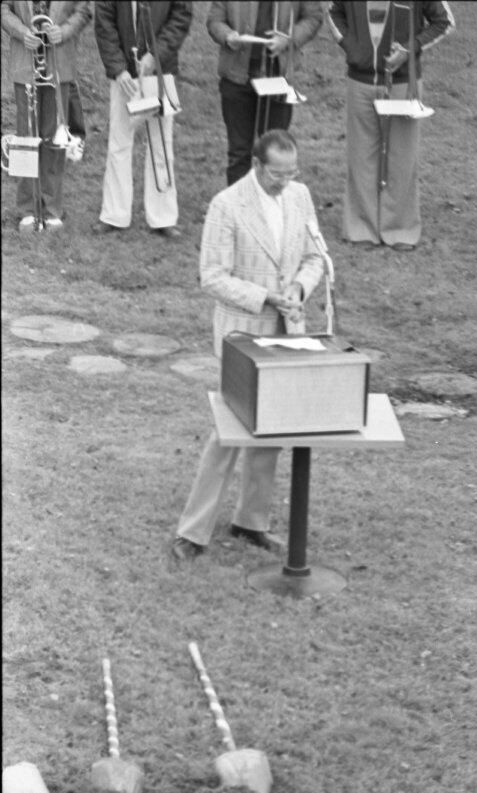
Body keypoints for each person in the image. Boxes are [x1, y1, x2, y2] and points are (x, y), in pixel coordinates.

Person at [172, 129, 323, 563]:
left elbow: (314, 257)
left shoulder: (300, 196)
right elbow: (212, 277)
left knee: (271, 429)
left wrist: (298, 288)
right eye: (277, 175)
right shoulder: (226, 205)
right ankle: (192, 531)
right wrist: (264, 297)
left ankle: (251, 521)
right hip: (241, 335)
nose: (285, 182)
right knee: (228, 432)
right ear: (256, 165)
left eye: (292, 173)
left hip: (286, 331)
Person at [328, 1, 454, 250]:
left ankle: (400, 229)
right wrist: (352, 47)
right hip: (361, 80)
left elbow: (444, 22)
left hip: (403, 83)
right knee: (361, 155)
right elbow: (334, 12)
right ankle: (361, 227)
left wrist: (410, 48)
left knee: (402, 156)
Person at [94, 1, 192, 238]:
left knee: (161, 144)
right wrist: (118, 69)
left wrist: (155, 55)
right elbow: (104, 24)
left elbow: (181, 17)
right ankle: (114, 215)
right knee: (119, 143)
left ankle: (163, 217)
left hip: (161, 71)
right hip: (124, 76)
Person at [207, 1, 323, 186]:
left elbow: (313, 17)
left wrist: (289, 39)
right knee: (238, 153)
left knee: (275, 151)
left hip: (277, 76)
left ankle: (271, 202)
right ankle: (240, 203)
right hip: (236, 76)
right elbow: (215, 20)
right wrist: (227, 36)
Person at [1, 0, 92, 232]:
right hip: (25, 62)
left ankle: (52, 208)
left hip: (59, 63)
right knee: (25, 137)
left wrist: (64, 31)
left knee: (54, 137)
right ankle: (27, 209)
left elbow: (83, 10)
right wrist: (22, 32)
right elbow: (3, 9)